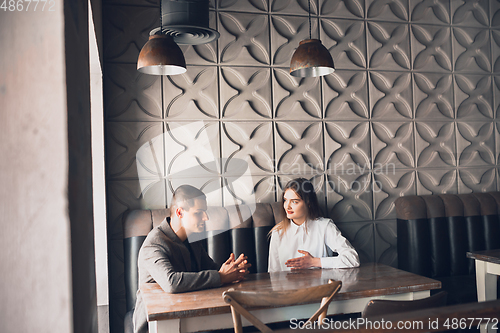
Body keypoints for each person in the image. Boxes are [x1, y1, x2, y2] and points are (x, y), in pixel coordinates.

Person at [133, 185, 251, 333]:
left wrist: (234, 270)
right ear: (179, 212)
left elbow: (212, 270)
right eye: (199, 213)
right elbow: (172, 283)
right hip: (157, 325)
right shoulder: (153, 244)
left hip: (189, 317)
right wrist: (221, 276)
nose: (206, 217)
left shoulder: (192, 238)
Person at [268, 178, 359, 272]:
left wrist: (315, 262)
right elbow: (273, 273)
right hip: (289, 286)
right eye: (285, 200)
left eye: (294, 201)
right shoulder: (277, 232)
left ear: (308, 203)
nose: (287, 206)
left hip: (321, 286)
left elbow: (353, 259)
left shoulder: (325, 227)